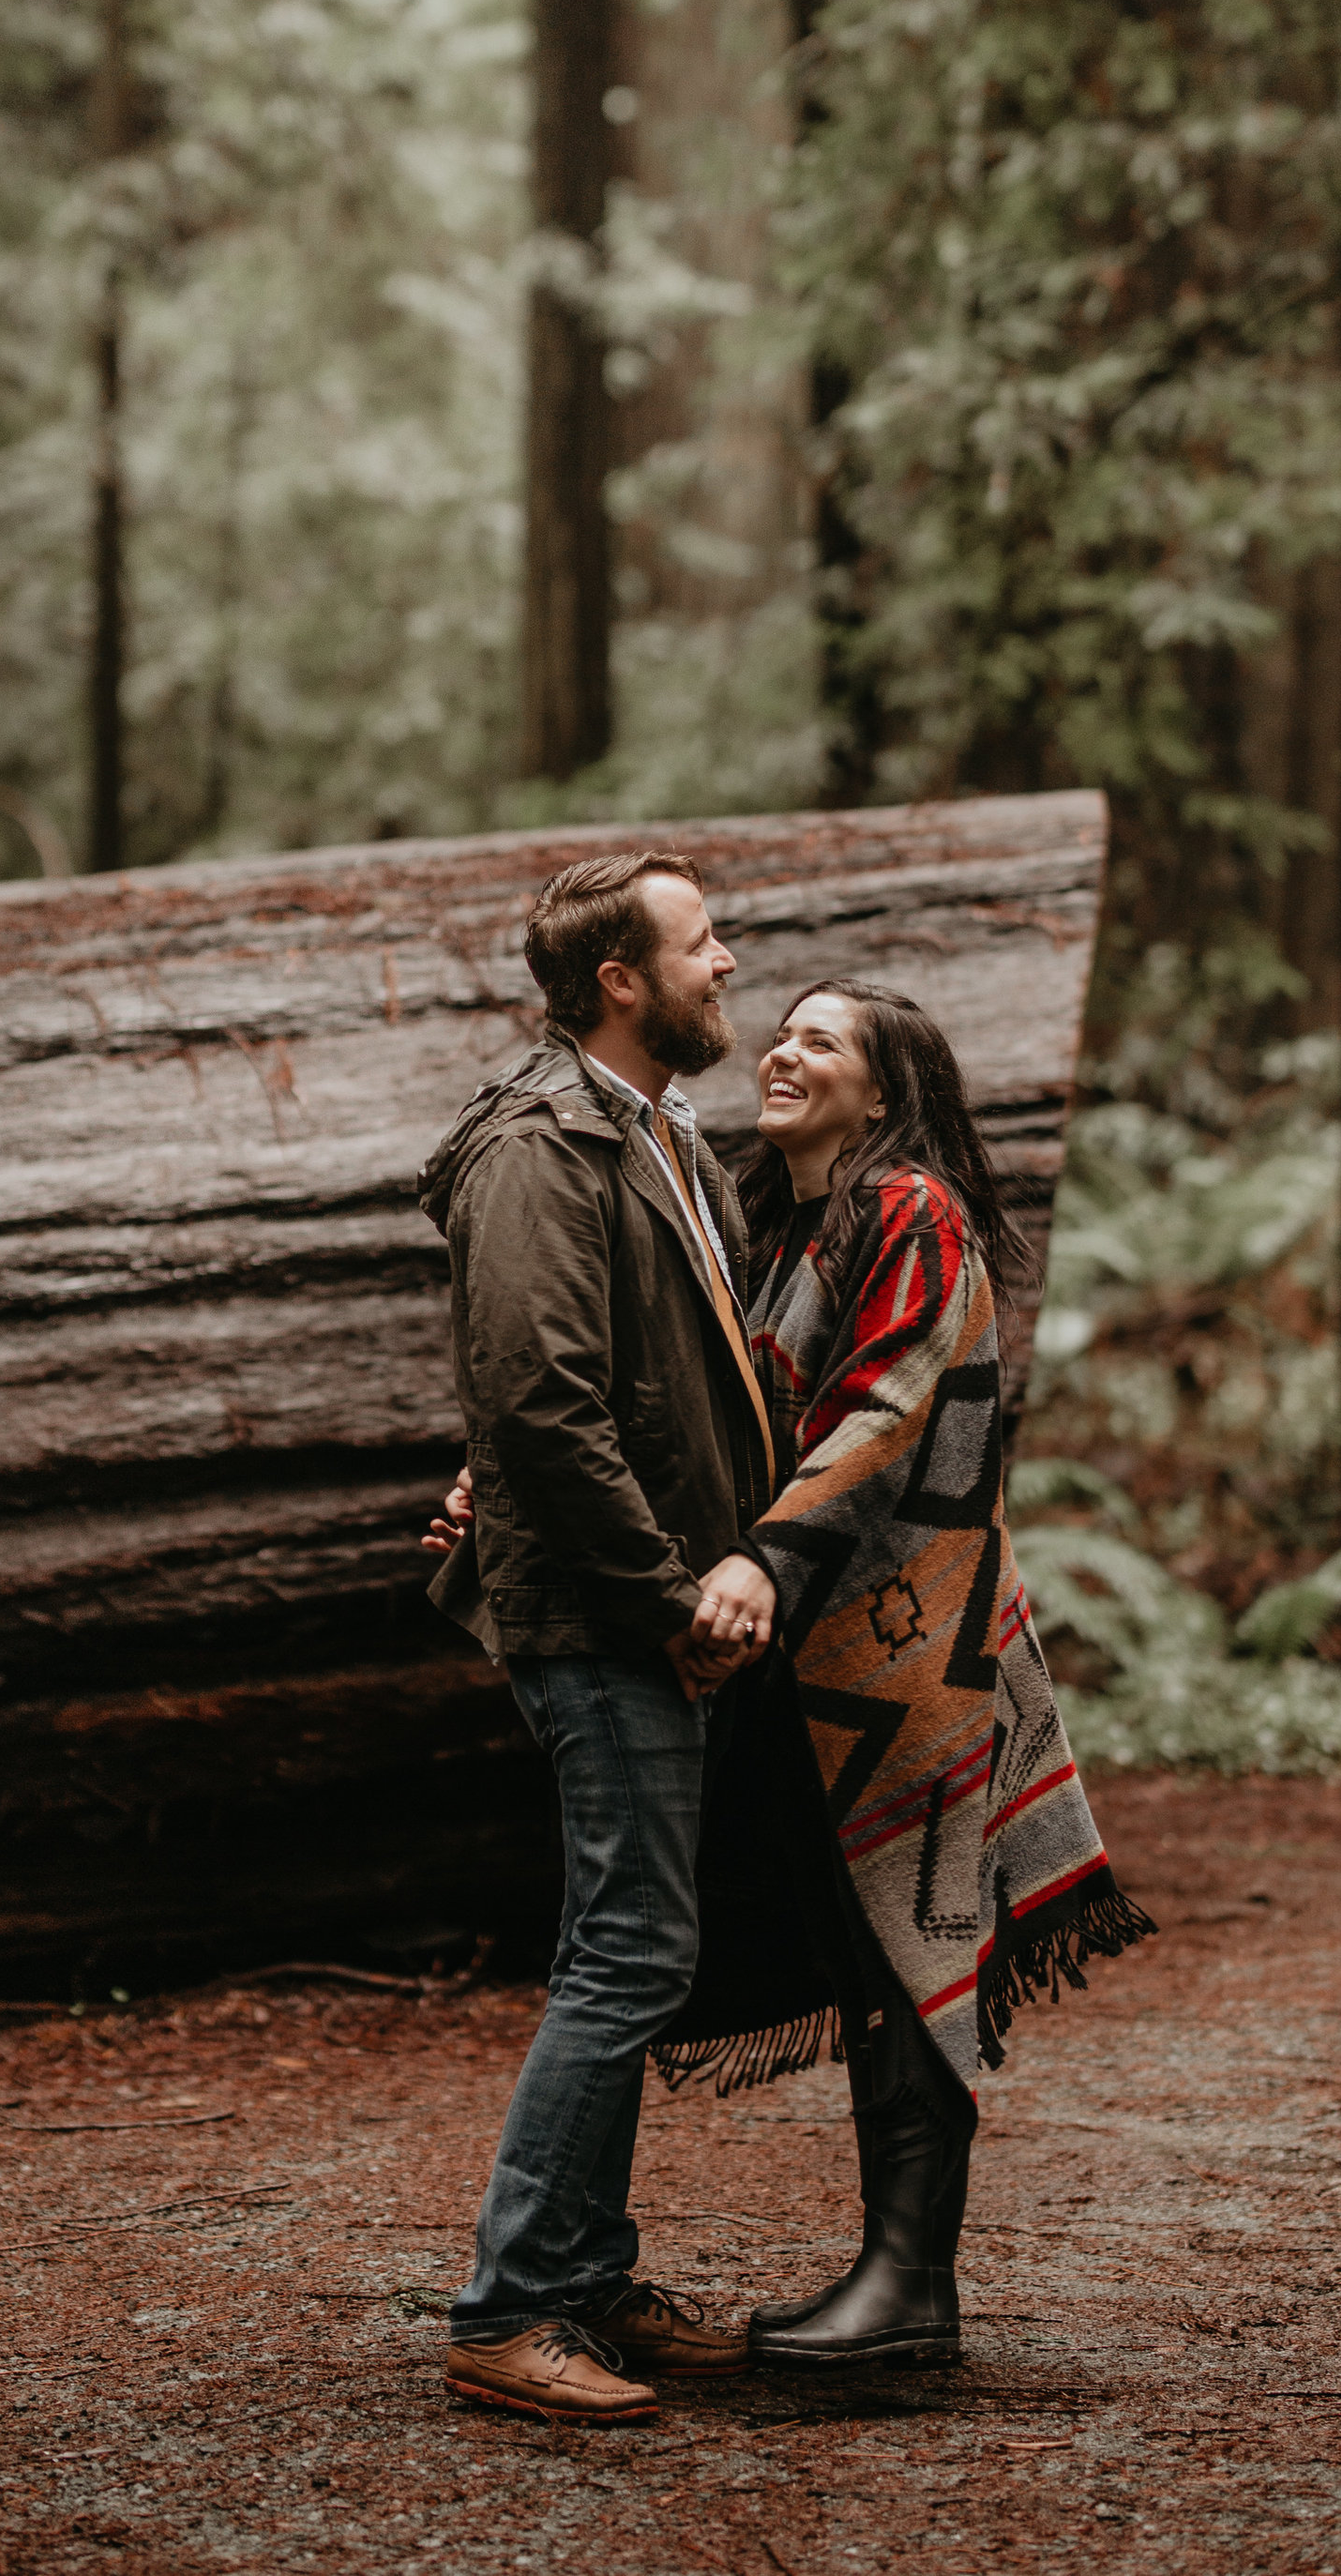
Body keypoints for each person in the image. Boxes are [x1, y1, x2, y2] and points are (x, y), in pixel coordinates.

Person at [651, 976, 1155, 2369]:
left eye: (823, 1039)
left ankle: (909, 2286)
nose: (783, 1049)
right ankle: (896, 2276)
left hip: (912, 1648)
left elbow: (892, 1402)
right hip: (810, 1651)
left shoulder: (912, 1213)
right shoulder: (784, 1231)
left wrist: (763, 1554)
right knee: (855, 1941)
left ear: (884, 1093)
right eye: (785, 1029)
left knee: (904, 1943)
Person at [414, 849, 781, 2429]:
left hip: (642, 1602)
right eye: (702, 943)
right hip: (598, 1614)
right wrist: (667, 1594)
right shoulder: (541, 1147)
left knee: (622, 1941)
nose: (727, 962)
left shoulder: (663, 1132)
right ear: (619, 977)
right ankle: (509, 2310)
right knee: (631, 1950)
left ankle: (588, 2276)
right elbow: (539, 1403)